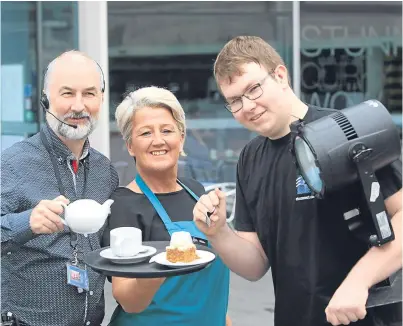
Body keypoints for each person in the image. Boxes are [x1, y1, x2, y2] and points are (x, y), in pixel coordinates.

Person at [193, 36, 402, 326]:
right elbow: (255, 265)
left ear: (280, 75)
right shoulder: (250, 158)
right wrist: (218, 233)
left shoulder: (347, 130)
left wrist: (359, 282)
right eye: (235, 101)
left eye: (253, 89)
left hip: (365, 317)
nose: (248, 106)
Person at [1, 51, 119, 326]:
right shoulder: (12, 163)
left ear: (101, 98)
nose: (78, 106)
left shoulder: (105, 171)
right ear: (46, 98)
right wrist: (25, 222)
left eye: (89, 93)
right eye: (67, 93)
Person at [102, 86, 231, 326]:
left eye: (167, 130)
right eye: (145, 133)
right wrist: (159, 268)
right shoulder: (124, 205)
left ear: (181, 138)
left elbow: (208, 290)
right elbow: (128, 299)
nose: (158, 140)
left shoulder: (197, 193)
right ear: (130, 145)